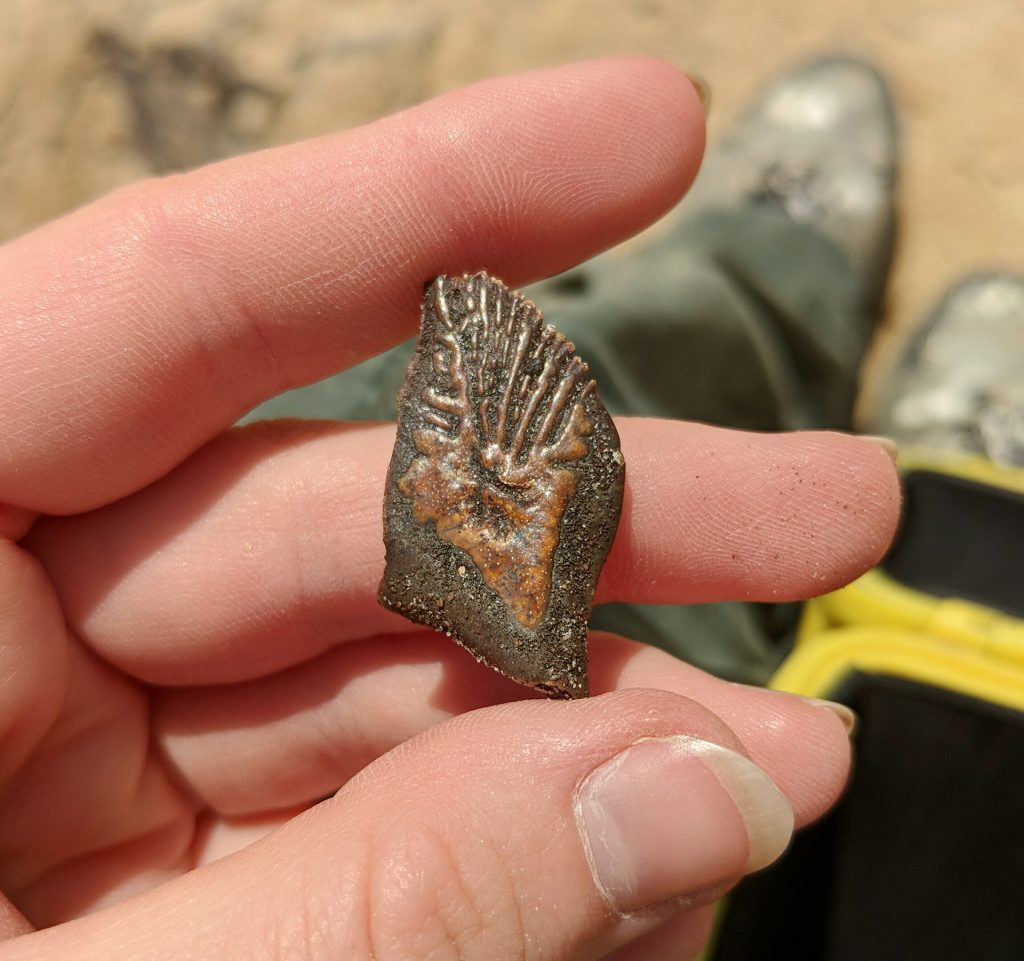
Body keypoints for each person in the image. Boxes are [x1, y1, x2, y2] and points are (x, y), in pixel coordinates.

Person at [0, 57, 899, 959]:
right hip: (487, 578)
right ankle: (769, 291)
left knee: (365, 404)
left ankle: (763, 289)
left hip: (488, 550)